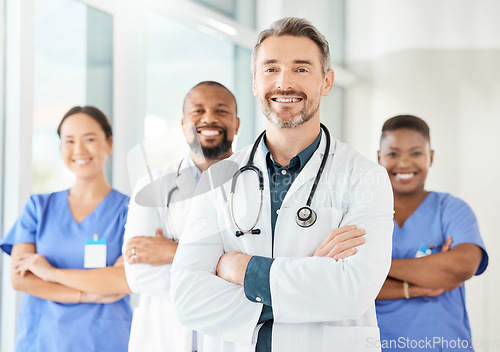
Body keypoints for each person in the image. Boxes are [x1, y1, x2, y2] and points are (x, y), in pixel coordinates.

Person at [170, 17, 394, 352]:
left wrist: (241, 269)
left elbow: (352, 292)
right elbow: (188, 298)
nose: (284, 83)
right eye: (271, 69)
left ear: (327, 81)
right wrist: (313, 280)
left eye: (301, 69)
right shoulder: (220, 179)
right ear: (255, 82)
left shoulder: (365, 177)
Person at [0, 106, 133, 352]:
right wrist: (87, 294)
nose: (79, 150)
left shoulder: (129, 211)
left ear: (109, 143)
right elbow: (21, 280)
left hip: (104, 341)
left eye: (90, 139)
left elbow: (124, 280)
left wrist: (50, 274)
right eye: (69, 141)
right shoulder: (38, 208)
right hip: (42, 341)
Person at [122, 81, 240, 352]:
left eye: (220, 111)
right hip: (165, 337)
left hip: (231, 337)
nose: (209, 118)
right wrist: (230, 268)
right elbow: (139, 273)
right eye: (198, 111)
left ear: (236, 123)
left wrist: (174, 252)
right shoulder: (151, 185)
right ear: (183, 123)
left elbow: (264, 265)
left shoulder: (259, 184)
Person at [375, 115, 488, 351]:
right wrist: (424, 277)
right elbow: (345, 281)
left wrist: (373, 267)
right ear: (379, 158)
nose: (404, 163)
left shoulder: (452, 209)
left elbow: (462, 266)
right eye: (393, 154)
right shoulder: (362, 213)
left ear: (431, 157)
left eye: (416, 153)